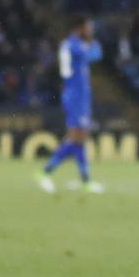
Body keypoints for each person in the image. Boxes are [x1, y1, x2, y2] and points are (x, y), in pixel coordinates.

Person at [37, 17, 103, 194]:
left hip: (81, 96)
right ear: (79, 28)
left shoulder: (74, 45)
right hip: (75, 96)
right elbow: (96, 54)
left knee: (80, 138)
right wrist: (92, 44)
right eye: (88, 28)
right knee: (76, 137)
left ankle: (85, 179)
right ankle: (45, 173)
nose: (90, 31)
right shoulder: (72, 45)